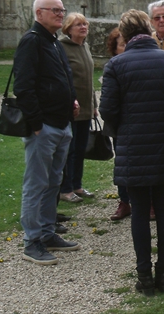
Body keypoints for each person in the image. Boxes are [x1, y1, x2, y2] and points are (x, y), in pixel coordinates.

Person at [100, 9, 164, 295]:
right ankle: (163, 273)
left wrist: (126, 127)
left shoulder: (116, 65)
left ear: (125, 36)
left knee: (140, 211)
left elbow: (107, 110)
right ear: (148, 30)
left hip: (133, 147)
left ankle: (144, 275)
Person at [14, 0, 80, 265]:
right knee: (36, 184)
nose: (60, 14)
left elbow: (63, 76)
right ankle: (32, 242)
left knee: (53, 183)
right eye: (55, 10)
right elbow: (24, 86)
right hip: (45, 127)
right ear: (39, 13)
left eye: (62, 10)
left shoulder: (52, 41)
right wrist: (37, 124)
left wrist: (72, 100)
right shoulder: (32, 40)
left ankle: (47, 232)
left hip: (61, 123)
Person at [58, 13, 99, 204]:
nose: (83, 27)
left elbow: (89, 80)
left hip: (86, 107)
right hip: (71, 107)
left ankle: (77, 185)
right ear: (68, 28)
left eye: (85, 24)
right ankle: (65, 189)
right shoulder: (62, 48)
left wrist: (94, 105)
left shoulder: (85, 46)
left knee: (81, 148)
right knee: (69, 149)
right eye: (78, 25)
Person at [105, 28, 131, 221]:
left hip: (138, 122)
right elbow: (108, 102)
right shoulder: (113, 67)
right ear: (114, 49)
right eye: (122, 45)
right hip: (120, 123)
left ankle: (150, 203)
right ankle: (124, 201)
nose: (126, 48)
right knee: (121, 161)